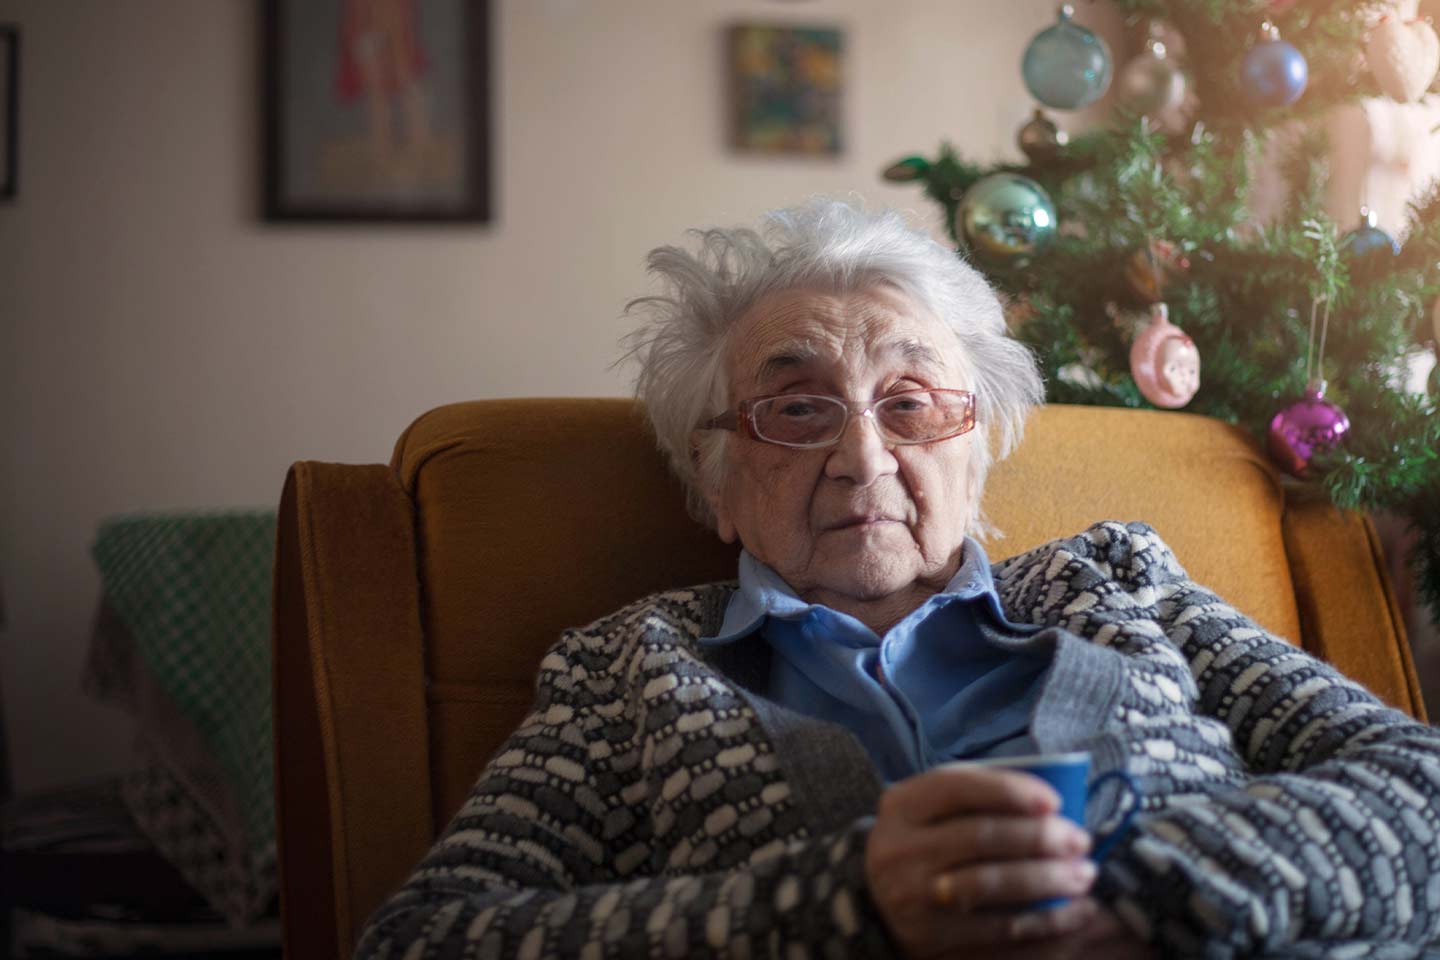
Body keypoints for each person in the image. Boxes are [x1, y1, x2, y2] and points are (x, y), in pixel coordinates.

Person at [353, 199, 1440, 959]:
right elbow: (426, 937)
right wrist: (844, 904)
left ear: (977, 449)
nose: (864, 458)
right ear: (716, 482)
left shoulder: (1117, 581)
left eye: (911, 404)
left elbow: (1420, 785)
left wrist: (1146, 895)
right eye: (797, 409)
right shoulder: (628, 669)